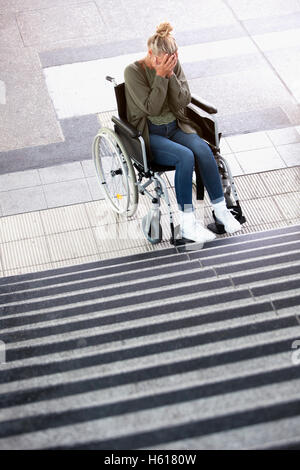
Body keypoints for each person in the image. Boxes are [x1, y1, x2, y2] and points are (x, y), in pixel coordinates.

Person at [124, 21, 242, 243]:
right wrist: (160, 76)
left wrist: (170, 75)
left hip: (176, 126)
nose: (169, 64)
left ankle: (221, 212)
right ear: (151, 53)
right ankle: (187, 225)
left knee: (204, 150)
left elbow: (183, 99)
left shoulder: (172, 64)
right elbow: (152, 108)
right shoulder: (133, 72)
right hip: (151, 134)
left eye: (173, 59)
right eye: (164, 60)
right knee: (185, 156)